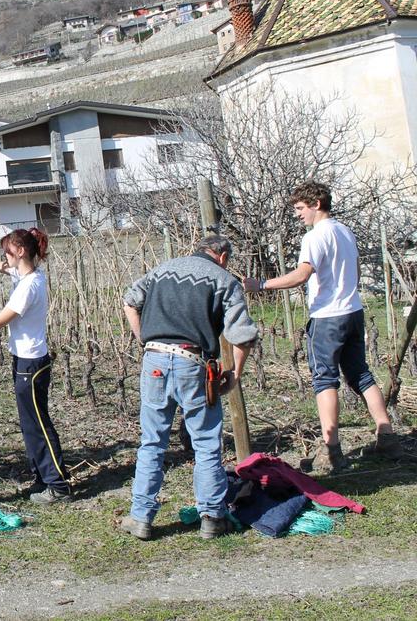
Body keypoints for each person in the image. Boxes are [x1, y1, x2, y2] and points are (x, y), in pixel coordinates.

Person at [244, 181, 401, 470]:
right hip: (353, 311)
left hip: (328, 317)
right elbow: (352, 271)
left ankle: (331, 449)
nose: (298, 215)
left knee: (325, 379)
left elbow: (302, 275)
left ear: (316, 204)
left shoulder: (315, 237)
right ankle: (387, 436)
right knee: (361, 374)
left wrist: (261, 284)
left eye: (301, 209)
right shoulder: (344, 231)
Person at [121, 235, 258, 540]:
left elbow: (130, 302)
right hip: (192, 361)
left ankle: (141, 517)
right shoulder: (224, 279)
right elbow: (243, 335)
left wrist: (145, 340)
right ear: (222, 257)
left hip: (154, 359)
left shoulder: (161, 270)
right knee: (206, 440)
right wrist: (234, 371)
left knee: (152, 441)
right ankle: (211, 517)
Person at [0, 228, 73, 504]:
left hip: (31, 363)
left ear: (21, 251)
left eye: (7, 251)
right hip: (24, 360)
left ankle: (58, 485)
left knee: (37, 424)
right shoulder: (25, 275)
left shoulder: (29, 286)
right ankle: (42, 477)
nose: (4, 257)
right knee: (29, 424)